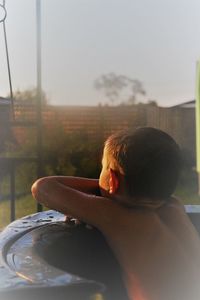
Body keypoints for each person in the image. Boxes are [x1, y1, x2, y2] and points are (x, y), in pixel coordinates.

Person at [32, 127, 200, 300]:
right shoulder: (175, 206)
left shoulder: (118, 215)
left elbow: (43, 188)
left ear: (112, 179)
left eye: (103, 168)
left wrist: (104, 189)